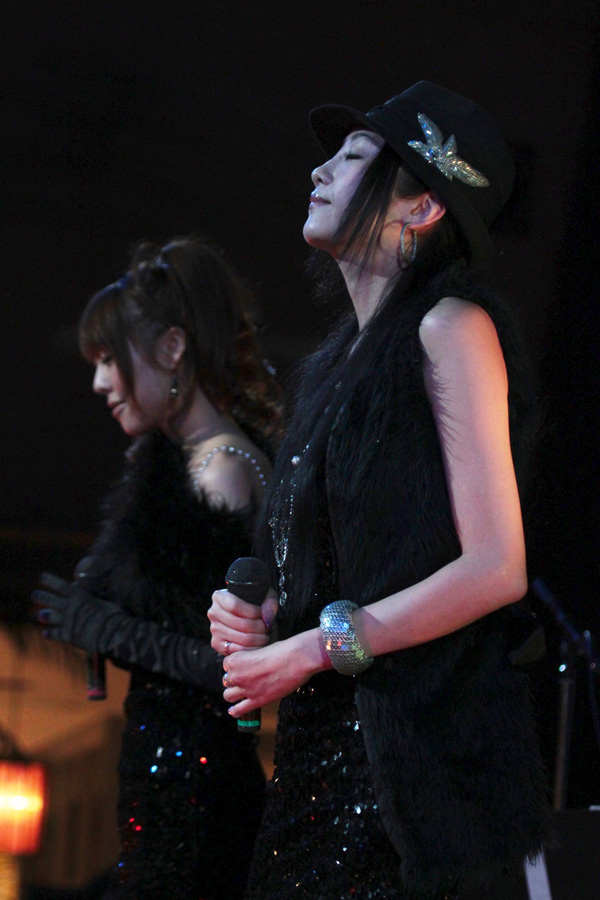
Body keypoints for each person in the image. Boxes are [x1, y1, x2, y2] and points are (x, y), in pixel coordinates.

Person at [208, 82, 550, 899]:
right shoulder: (335, 365)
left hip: (417, 783)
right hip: (320, 768)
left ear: (422, 206)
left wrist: (311, 647)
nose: (320, 171)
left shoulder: (451, 327)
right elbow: (350, 568)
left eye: (355, 157)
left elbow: (497, 567)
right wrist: (264, 615)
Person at [33, 236, 280, 900]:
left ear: (172, 349)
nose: (99, 383)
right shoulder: (172, 466)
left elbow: (232, 670)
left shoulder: (221, 469)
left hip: (198, 801)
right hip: (168, 790)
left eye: (109, 360)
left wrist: (105, 628)